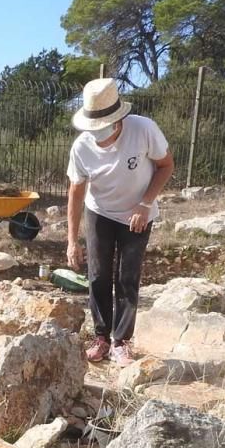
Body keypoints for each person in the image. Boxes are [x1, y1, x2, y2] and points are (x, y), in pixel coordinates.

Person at [66, 78, 174, 366]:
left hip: (138, 214)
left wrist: (145, 203)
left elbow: (166, 166)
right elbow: (76, 193)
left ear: (118, 118)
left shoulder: (144, 129)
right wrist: (71, 240)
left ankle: (121, 342)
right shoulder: (81, 148)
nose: (100, 136)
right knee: (98, 275)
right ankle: (101, 337)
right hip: (99, 211)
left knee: (127, 277)